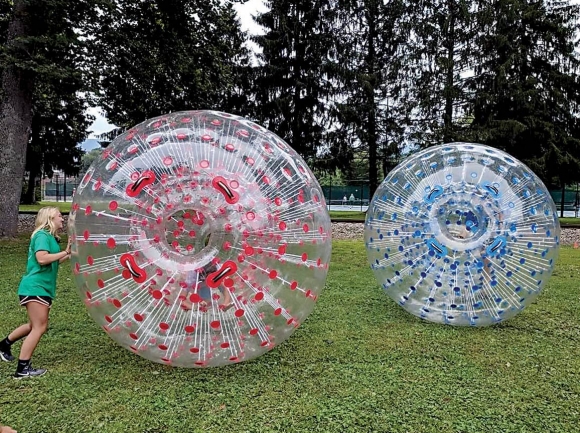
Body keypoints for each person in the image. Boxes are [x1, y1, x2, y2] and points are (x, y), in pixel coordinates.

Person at [0, 207, 71, 379]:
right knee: (40, 327)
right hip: (35, 287)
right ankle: (22, 369)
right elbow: (42, 258)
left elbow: (52, 262)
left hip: (39, 288)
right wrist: (64, 252)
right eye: (60, 216)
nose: (63, 219)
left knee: (33, 325)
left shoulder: (51, 238)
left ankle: (4, 345)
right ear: (50, 218)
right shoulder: (42, 236)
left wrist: (68, 254)